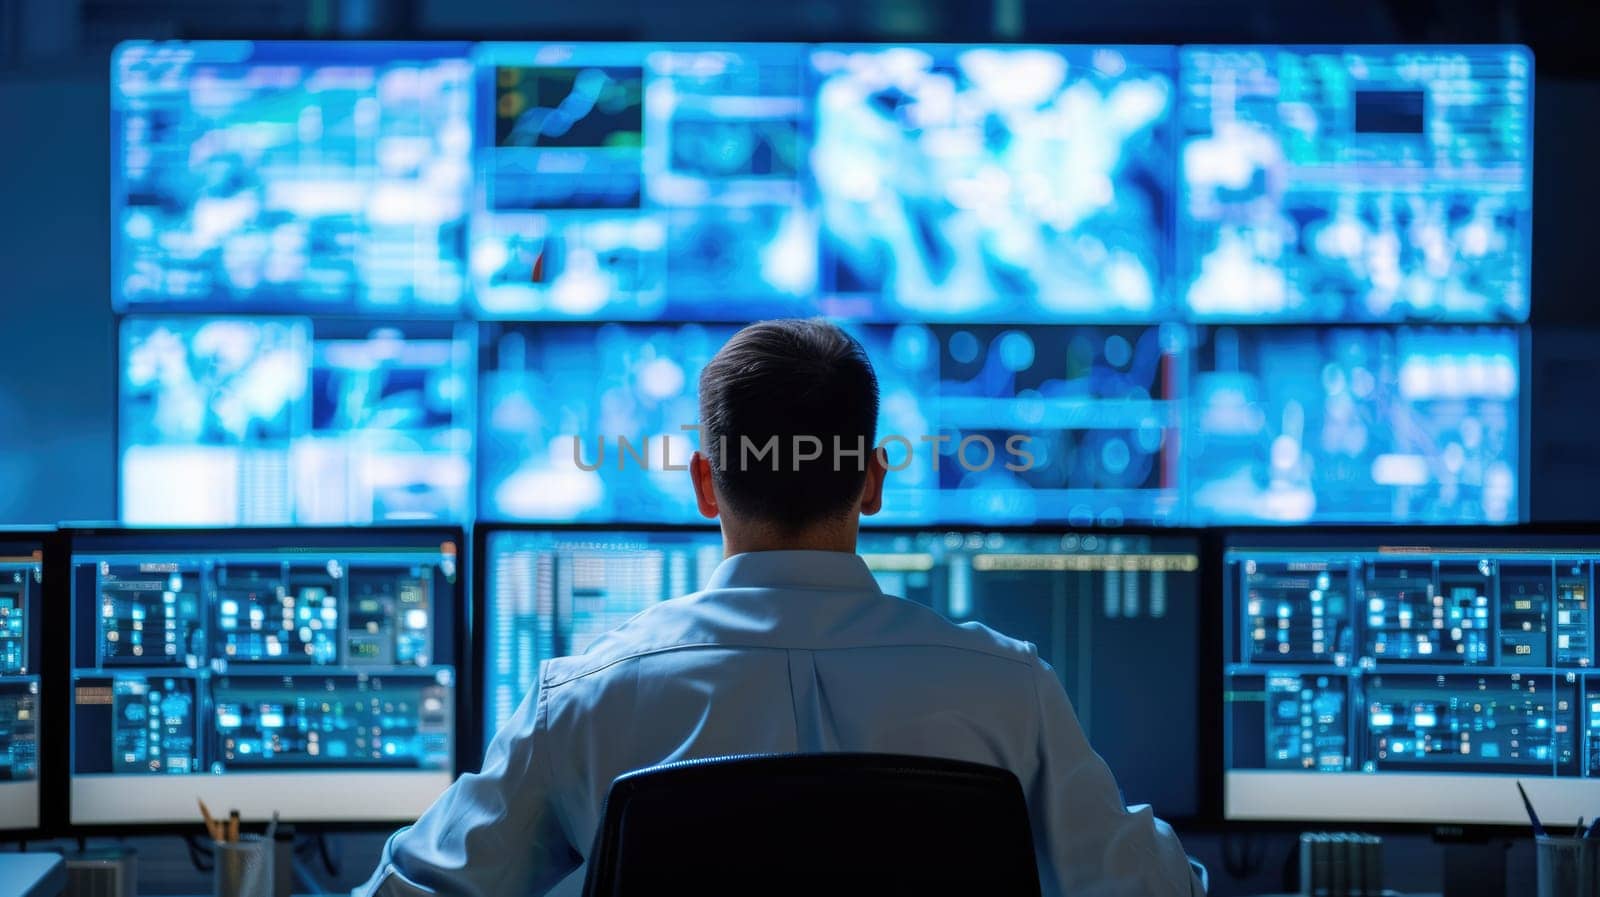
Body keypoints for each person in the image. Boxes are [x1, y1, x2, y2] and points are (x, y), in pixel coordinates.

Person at [358, 319, 1202, 896]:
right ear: (874, 480)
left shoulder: (585, 700)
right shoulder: (1007, 691)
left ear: (703, 483)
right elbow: (1158, 890)